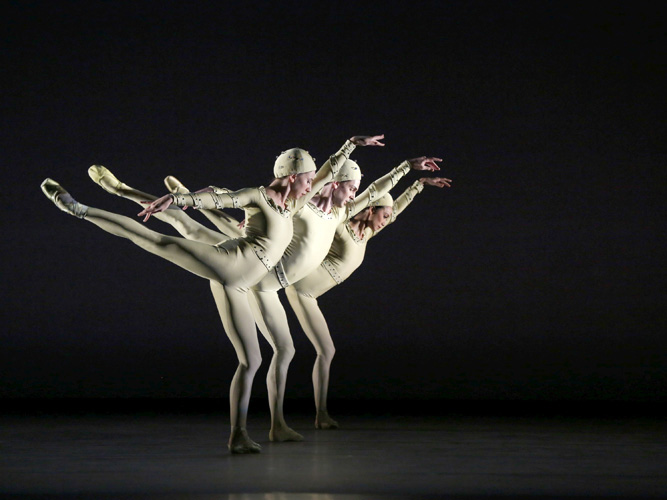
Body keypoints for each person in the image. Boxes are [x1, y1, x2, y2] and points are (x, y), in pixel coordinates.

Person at [41, 134, 383, 453]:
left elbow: (326, 174)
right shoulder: (257, 195)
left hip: (246, 283)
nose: (314, 185)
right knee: (159, 238)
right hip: (228, 263)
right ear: (292, 177)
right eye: (308, 180)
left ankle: (241, 435)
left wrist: (351, 144)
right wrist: (180, 198)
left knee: (254, 360)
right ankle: (77, 207)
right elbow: (222, 198)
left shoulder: (295, 204)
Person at [284, 175, 451, 428]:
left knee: (326, 351)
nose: (386, 222)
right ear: (371, 209)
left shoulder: (369, 232)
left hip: (312, 295)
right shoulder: (340, 227)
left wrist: (418, 186)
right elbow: (310, 216)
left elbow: (398, 207)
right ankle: (321, 414)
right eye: (384, 216)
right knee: (326, 350)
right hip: (302, 291)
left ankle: (320, 414)